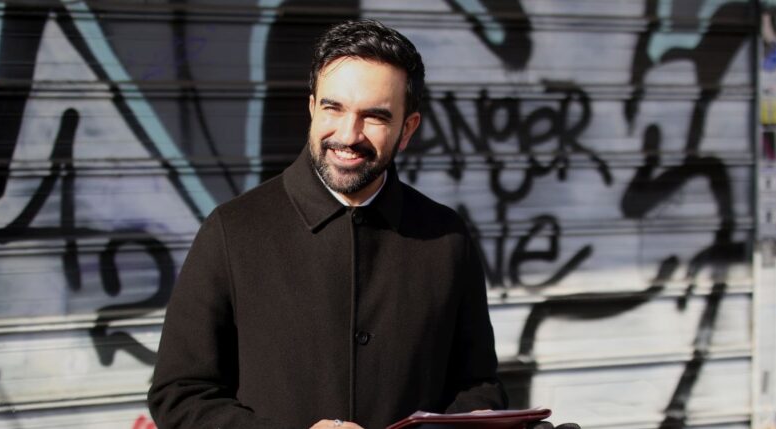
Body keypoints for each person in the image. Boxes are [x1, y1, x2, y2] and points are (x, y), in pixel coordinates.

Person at [148, 19, 576, 429]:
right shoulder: (233, 230)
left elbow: (476, 385)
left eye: (374, 116)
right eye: (333, 108)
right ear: (312, 107)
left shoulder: (447, 238)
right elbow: (179, 394)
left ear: (407, 129)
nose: (348, 135)